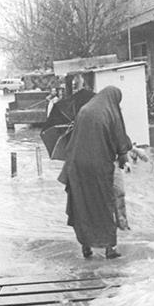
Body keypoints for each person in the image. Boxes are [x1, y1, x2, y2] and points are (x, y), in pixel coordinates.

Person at [58, 86, 133, 260]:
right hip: (98, 167)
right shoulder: (111, 112)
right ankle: (109, 248)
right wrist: (124, 159)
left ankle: (86, 247)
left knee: (83, 204)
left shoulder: (85, 110)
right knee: (103, 204)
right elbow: (120, 139)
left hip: (77, 166)